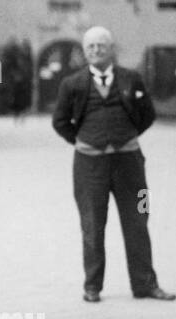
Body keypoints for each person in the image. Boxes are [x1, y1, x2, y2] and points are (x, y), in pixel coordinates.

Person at [52, 26, 173, 302]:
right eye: (90, 47)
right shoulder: (72, 84)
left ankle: (145, 284)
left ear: (111, 49)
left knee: (139, 220)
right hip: (88, 167)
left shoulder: (132, 79)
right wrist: (86, 142)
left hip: (131, 164)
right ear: (85, 52)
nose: (96, 50)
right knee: (92, 225)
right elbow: (60, 122)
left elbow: (148, 115)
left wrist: (124, 138)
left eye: (101, 46)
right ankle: (92, 286)